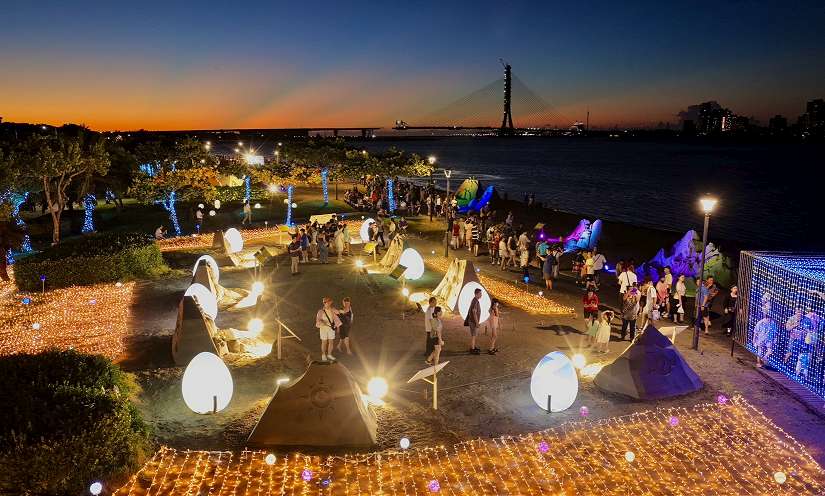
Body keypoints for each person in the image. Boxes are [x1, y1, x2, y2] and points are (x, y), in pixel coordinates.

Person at [315, 297, 342, 362]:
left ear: (330, 302)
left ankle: (329, 354)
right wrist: (322, 322)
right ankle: (323, 355)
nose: (325, 303)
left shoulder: (333, 310)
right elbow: (318, 320)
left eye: (327, 302)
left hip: (331, 328)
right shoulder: (320, 311)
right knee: (324, 342)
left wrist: (338, 327)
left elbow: (338, 315)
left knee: (331, 342)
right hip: (323, 328)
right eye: (324, 302)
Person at [465, 288, 482, 354]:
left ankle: (473, 346)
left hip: (472, 321)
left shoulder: (475, 300)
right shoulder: (475, 301)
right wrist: (477, 323)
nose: (481, 295)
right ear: (476, 294)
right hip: (473, 321)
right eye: (480, 293)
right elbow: (474, 312)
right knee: (474, 335)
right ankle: (472, 349)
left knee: (474, 335)